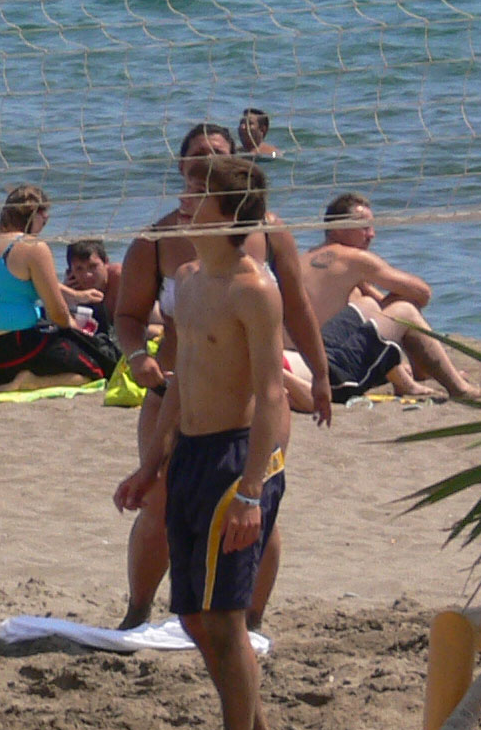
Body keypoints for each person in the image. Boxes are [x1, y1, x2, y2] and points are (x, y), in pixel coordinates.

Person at [112, 155, 288, 730]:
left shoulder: (253, 288)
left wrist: (252, 490)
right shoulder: (185, 279)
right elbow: (182, 383)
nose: (185, 200)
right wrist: (150, 465)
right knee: (191, 614)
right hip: (189, 454)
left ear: (230, 215)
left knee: (224, 616)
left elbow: (272, 396)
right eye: (187, 189)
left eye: (199, 195)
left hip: (236, 460)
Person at [113, 121, 331, 629]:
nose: (205, 167)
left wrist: (320, 375)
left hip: (255, 401)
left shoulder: (268, 237)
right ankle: (137, 612)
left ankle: (249, 624)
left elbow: (298, 308)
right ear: (182, 169)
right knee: (160, 501)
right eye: (196, 161)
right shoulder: (159, 242)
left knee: (258, 508)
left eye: (217, 158)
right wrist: (134, 356)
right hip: (175, 388)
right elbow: (126, 317)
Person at [300, 193, 478, 402]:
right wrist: (393, 302)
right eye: (364, 227)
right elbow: (422, 293)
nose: (372, 234)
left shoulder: (302, 258)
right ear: (339, 228)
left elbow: (373, 311)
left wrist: (368, 289)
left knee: (368, 304)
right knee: (405, 310)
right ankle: (459, 388)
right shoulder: (353, 258)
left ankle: (407, 381)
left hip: (304, 366)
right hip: (329, 377)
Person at [0, 185, 119, 387]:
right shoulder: (33, 247)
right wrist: (77, 330)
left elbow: (16, 280)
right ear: (36, 216)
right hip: (17, 348)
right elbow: (58, 316)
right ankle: (28, 381)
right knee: (97, 369)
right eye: (44, 220)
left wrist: (76, 295)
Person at [63, 239, 120, 334]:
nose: (87, 275)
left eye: (93, 266)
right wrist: (66, 297)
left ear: (106, 262)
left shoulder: (119, 279)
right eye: (79, 269)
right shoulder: (72, 288)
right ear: (70, 271)